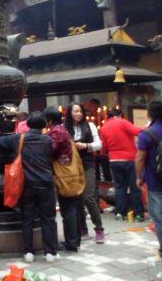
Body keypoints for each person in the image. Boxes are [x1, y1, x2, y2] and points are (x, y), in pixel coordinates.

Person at [0, 112, 58, 263]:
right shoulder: (47, 140)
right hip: (46, 184)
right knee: (48, 218)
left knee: (27, 218)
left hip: (27, 185)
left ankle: (29, 252)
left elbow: (0, 141)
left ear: (28, 124)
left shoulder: (19, 138)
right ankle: (50, 252)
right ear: (44, 125)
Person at [64, 102, 105, 243]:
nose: (79, 114)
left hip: (88, 164)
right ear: (70, 113)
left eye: (80, 111)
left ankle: (99, 228)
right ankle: (82, 227)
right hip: (72, 166)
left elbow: (99, 144)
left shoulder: (90, 126)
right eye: (75, 111)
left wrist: (86, 146)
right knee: (77, 198)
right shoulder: (65, 128)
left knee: (88, 197)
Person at [44, 106, 80, 252]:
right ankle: (73, 241)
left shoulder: (57, 132)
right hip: (67, 173)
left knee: (68, 209)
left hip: (64, 174)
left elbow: (49, 150)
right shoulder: (61, 129)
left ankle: (71, 243)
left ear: (50, 120)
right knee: (70, 208)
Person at [100, 107, 144, 221]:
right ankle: (139, 214)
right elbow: (139, 132)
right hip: (129, 159)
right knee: (134, 187)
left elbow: (103, 148)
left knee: (120, 187)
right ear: (119, 115)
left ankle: (120, 213)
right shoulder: (122, 122)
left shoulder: (104, 128)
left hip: (114, 161)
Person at [137, 101, 162, 256]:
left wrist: (139, 178)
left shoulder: (147, 134)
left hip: (155, 182)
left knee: (158, 217)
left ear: (149, 114)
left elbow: (139, 158)